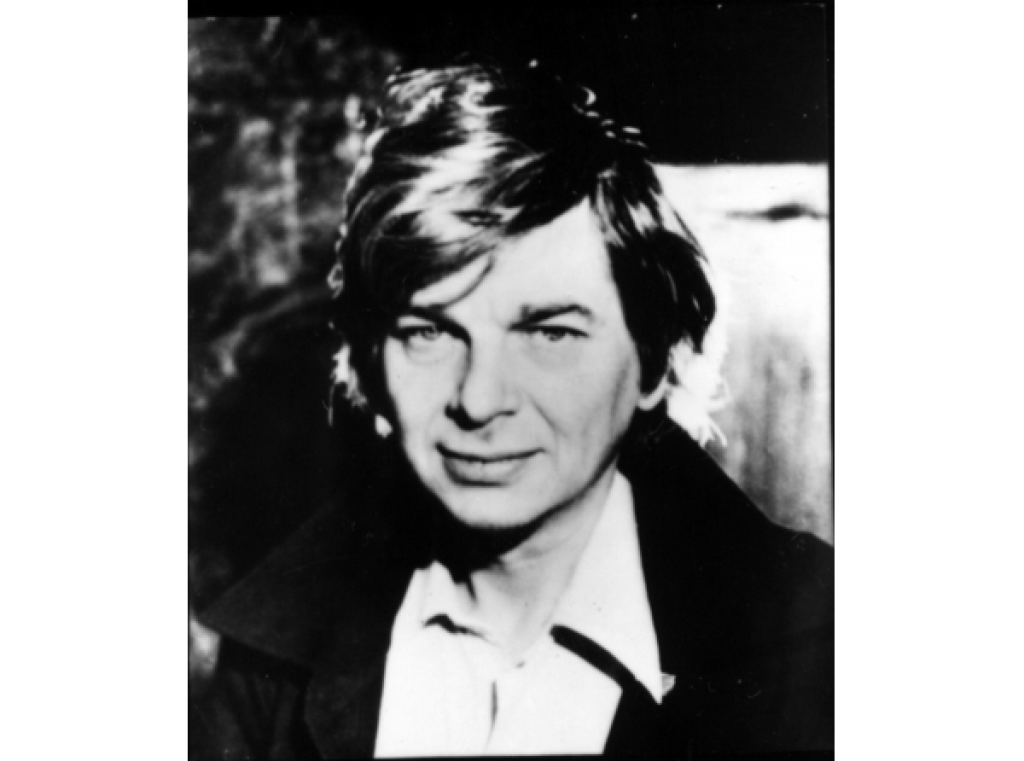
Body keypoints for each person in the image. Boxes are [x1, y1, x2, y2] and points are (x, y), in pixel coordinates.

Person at [191, 61, 833, 758]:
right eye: (430, 332)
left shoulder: (814, 653)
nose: (479, 399)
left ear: (654, 361)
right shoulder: (272, 666)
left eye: (549, 333)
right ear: (370, 363)